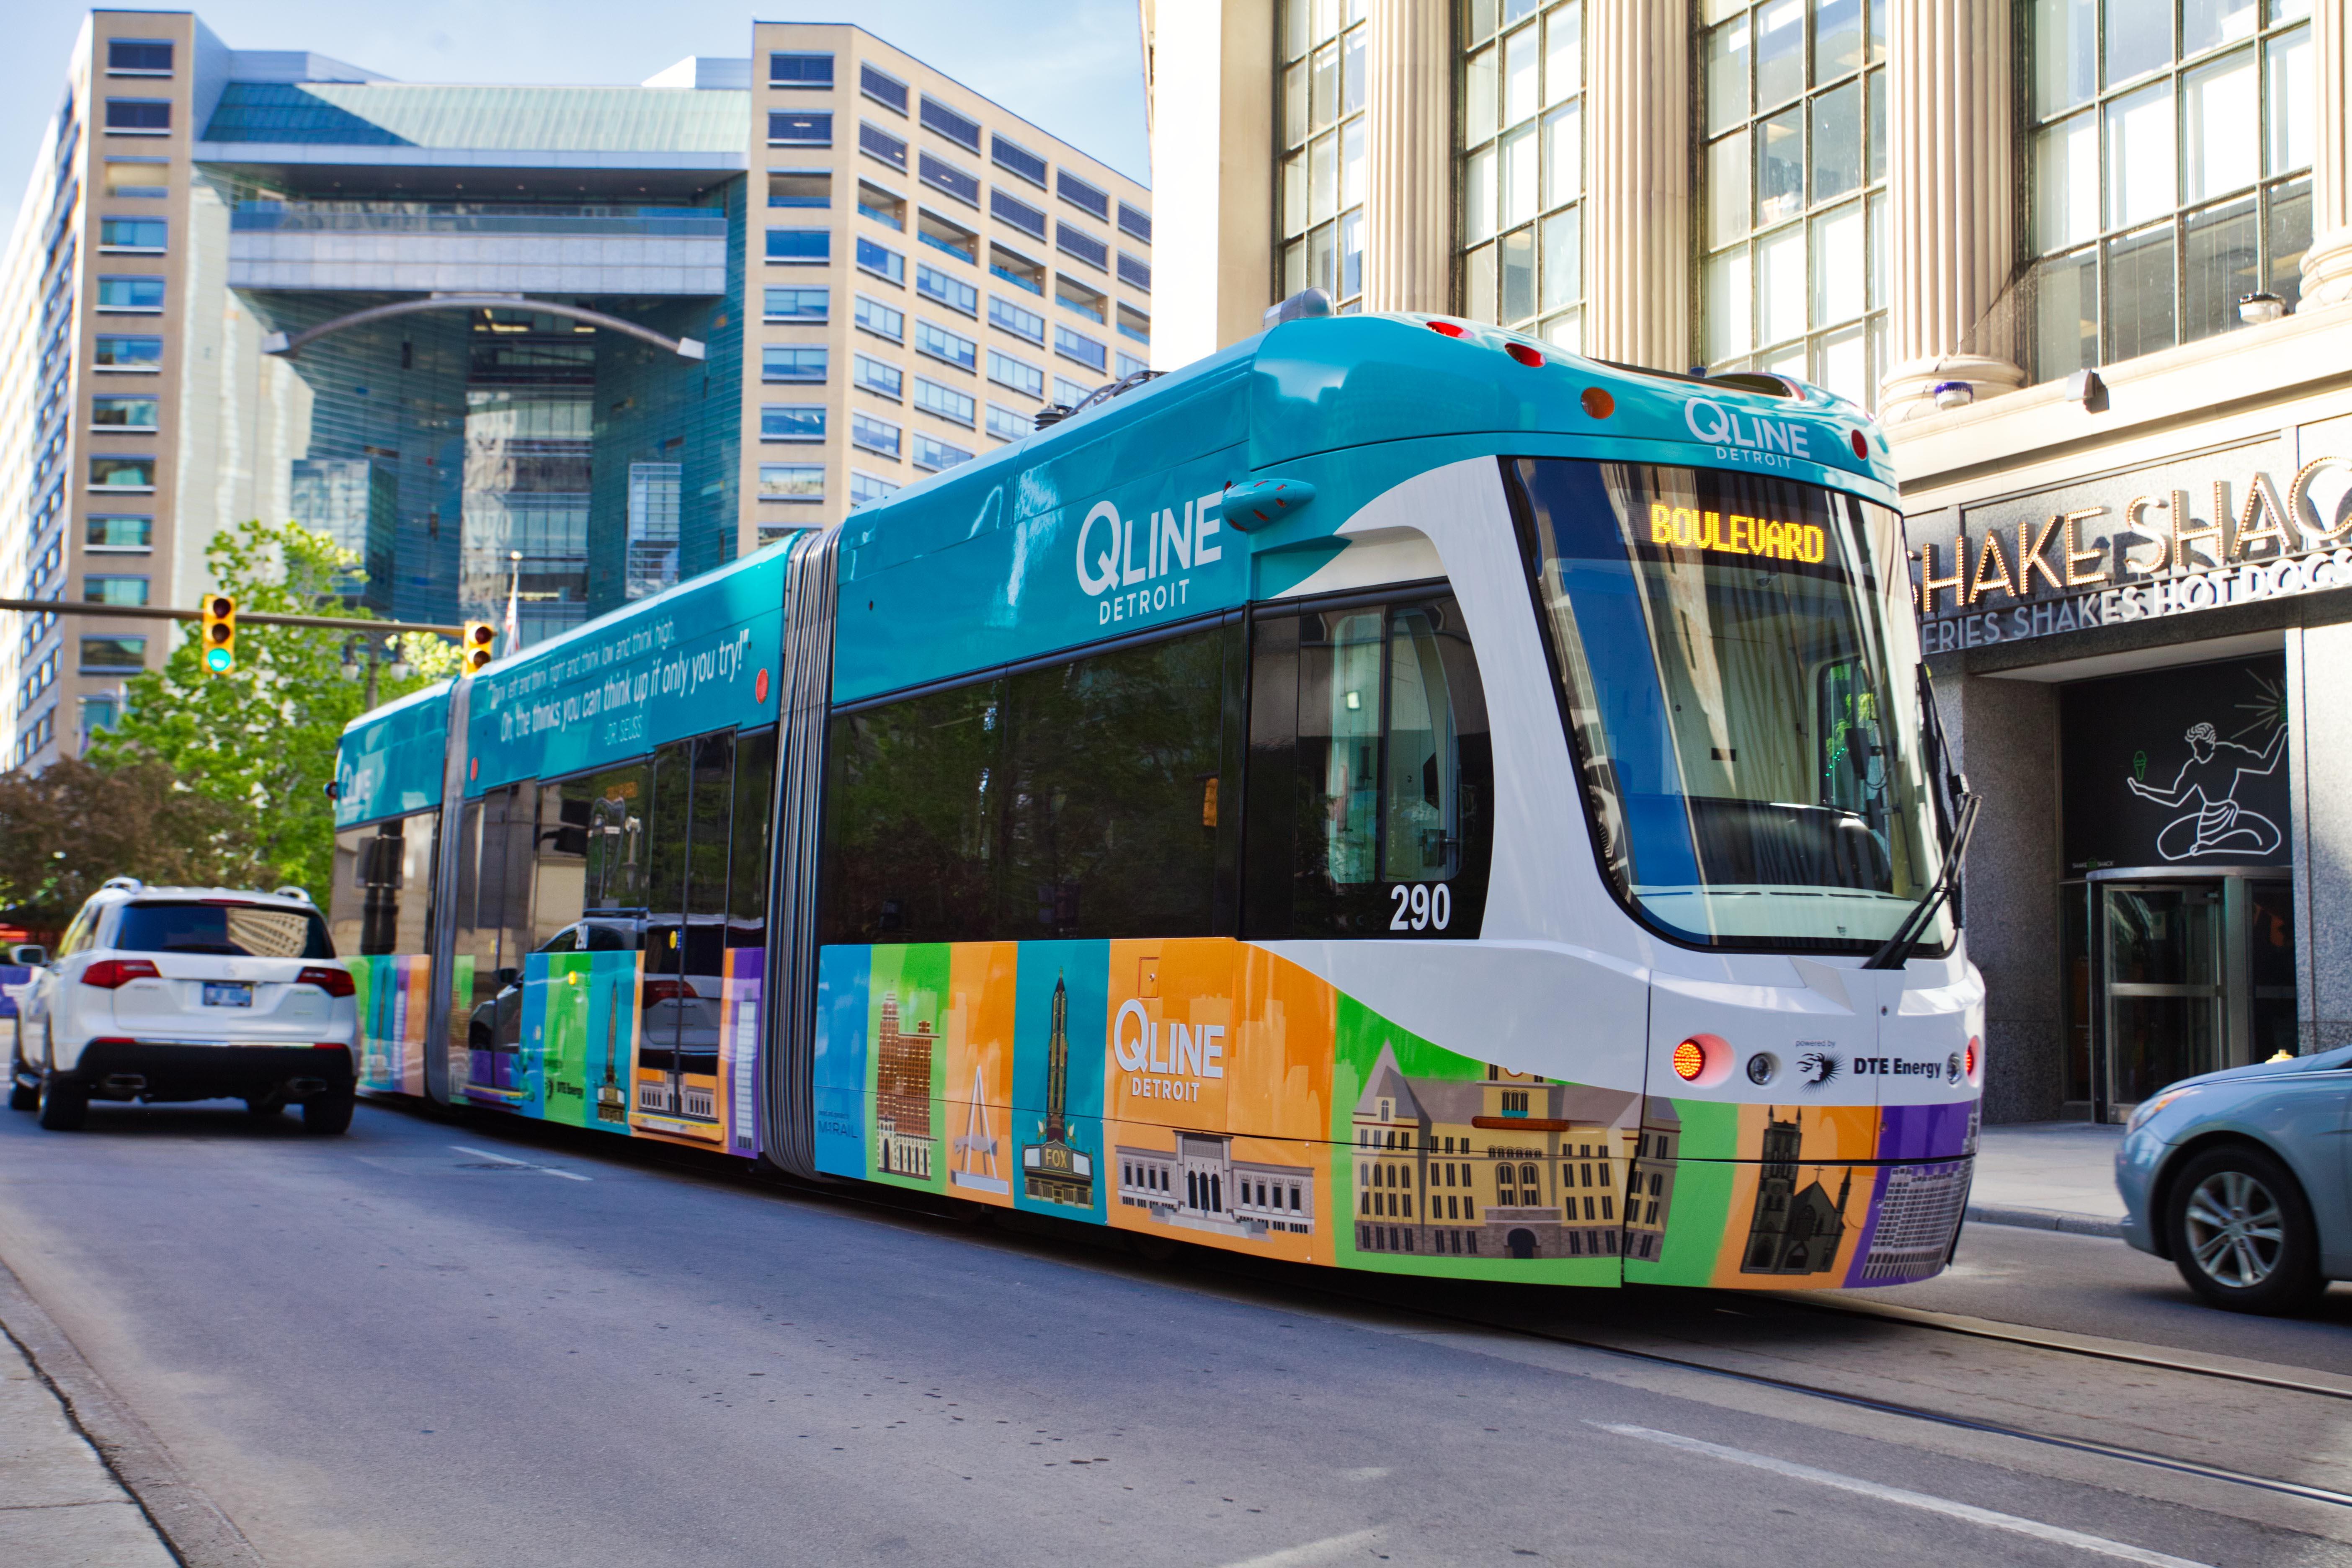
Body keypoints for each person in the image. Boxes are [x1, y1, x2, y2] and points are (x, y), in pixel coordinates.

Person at [2125, 720, 2286, 860]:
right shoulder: (2193, 767)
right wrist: (2144, 791)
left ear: (2210, 742)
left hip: (2229, 813)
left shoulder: (2227, 753)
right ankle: (2210, 848)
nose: (2196, 752)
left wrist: (2282, 733)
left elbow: (2265, 765)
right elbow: (2176, 799)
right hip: (2209, 818)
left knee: (2267, 841)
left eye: (2199, 746)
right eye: (2194, 747)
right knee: (2189, 850)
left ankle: (2214, 848)